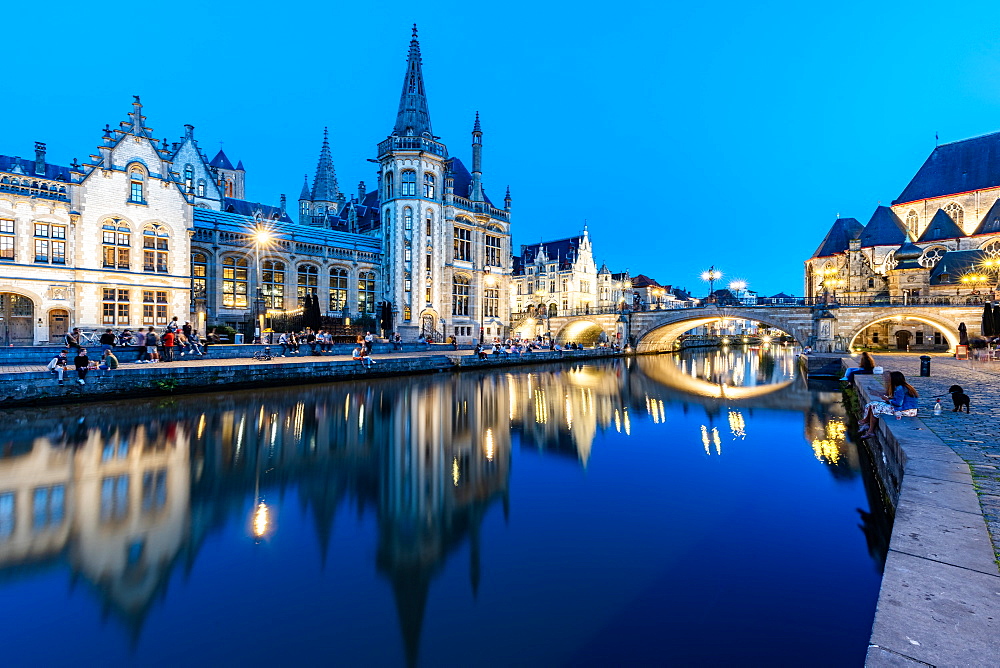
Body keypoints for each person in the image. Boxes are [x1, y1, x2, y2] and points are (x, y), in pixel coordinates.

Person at [859, 371, 919, 438]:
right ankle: (869, 428)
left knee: (874, 406)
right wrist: (890, 398)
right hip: (911, 411)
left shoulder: (899, 388)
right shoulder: (906, 387)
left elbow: (899, 403)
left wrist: (888, 400)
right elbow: (901, 399)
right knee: (873, 404)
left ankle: (867, 424)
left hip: (904, 411)